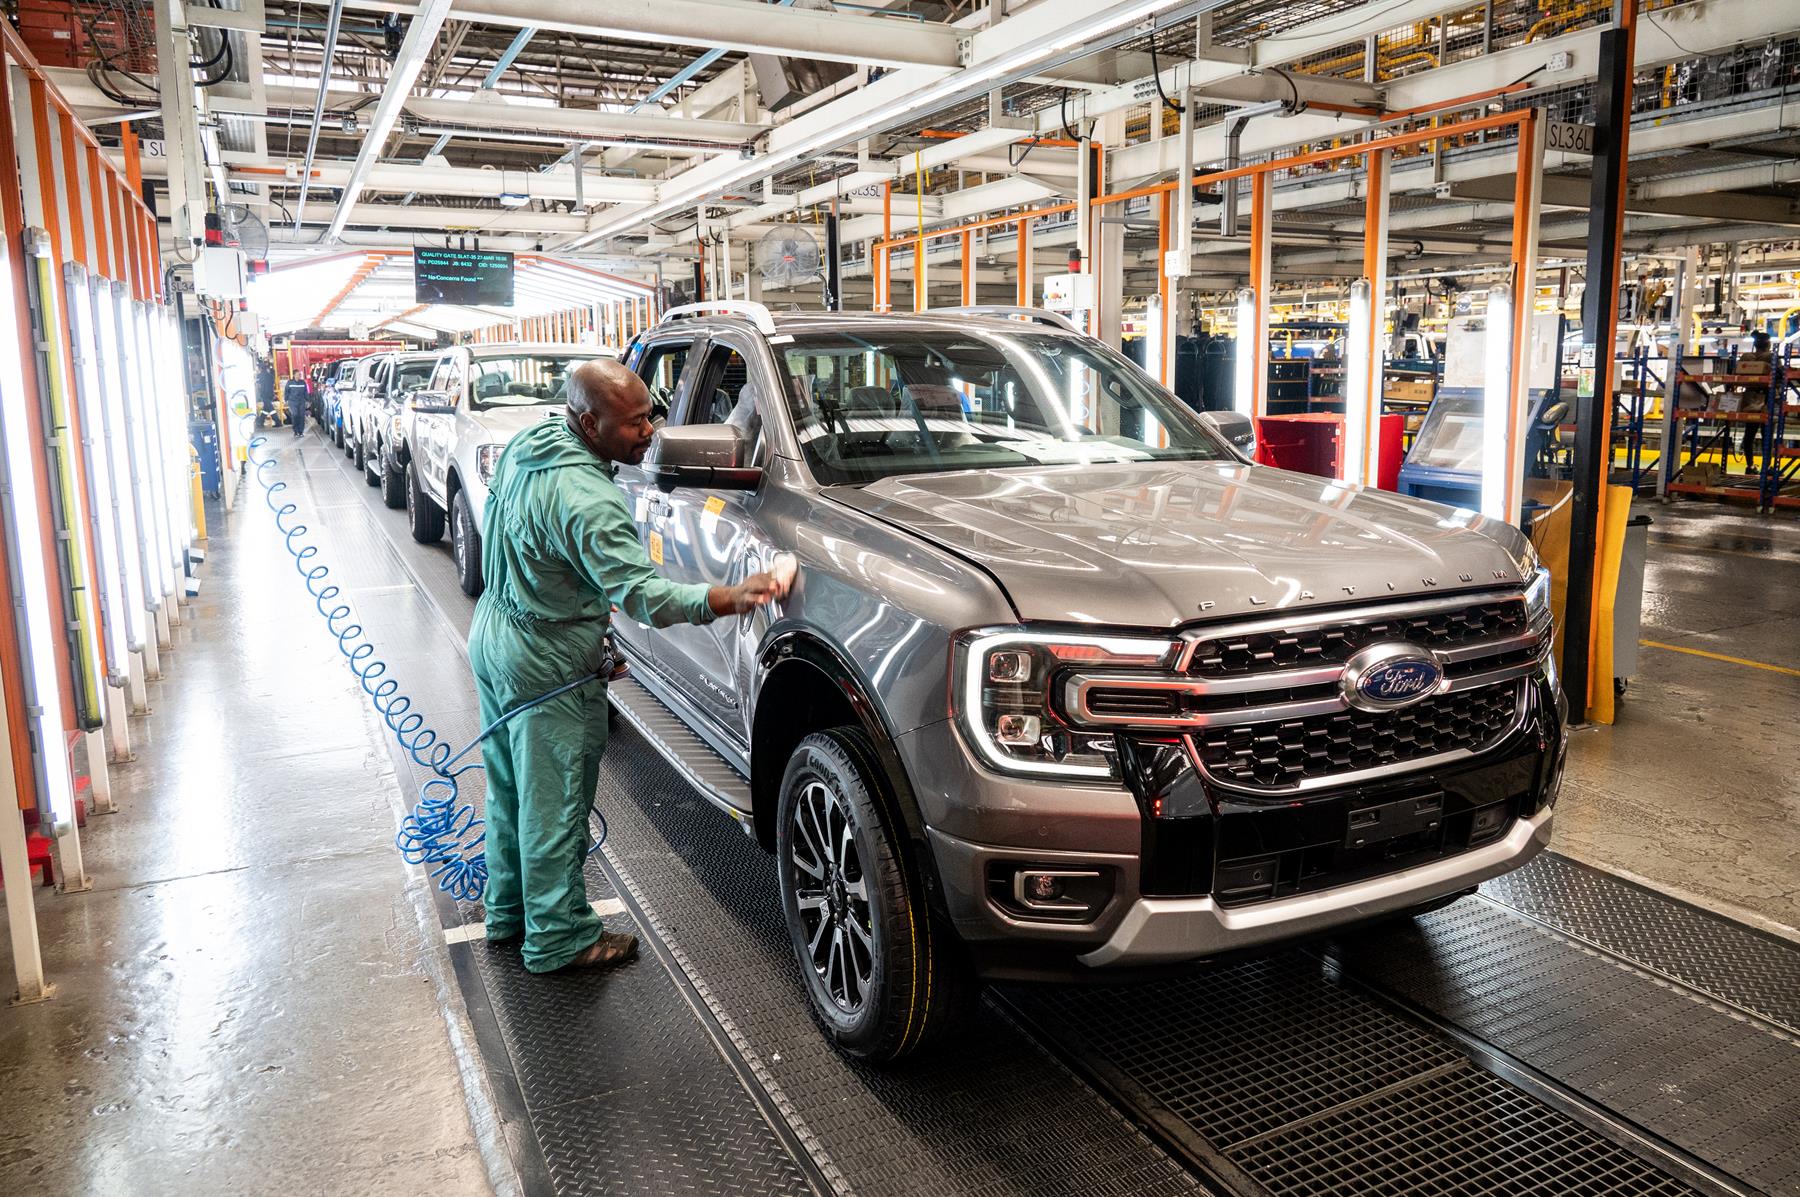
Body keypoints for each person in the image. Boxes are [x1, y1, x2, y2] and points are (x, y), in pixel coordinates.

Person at [468, 359, 782, 973]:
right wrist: (731, 595)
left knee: (510, 788)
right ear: (590, 422)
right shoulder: (589, 499)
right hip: (546, 661)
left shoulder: (531, 443)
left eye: (651, 414)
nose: (651, 432)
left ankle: (507, 912)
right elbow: (645, 596)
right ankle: (558, 939)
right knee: (555, 805)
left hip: (496, 633)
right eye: (636, 423)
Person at [1733, 331, 1773, 474]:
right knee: (1766, 435)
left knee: (1749, 435)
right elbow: (1780, 374)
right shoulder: (1771, 356)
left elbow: (1735, 374)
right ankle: (1766, 468)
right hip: (1767, 398)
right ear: (1768, 344)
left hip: (1749, 398)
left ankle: (1750, 466)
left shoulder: (1746, 357)